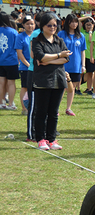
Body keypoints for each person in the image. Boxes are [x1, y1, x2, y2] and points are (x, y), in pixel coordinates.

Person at [31, 13, 72, 150]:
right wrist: (59, 56)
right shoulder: (37, 41)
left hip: (59, 80)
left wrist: (50, 59)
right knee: (41, 111)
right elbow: (41, 57)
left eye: (55, 25)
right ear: (42, 26)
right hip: (43, 80)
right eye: (49, 25)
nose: (53, 27)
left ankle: (51, 139)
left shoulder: (59, 40)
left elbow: (67, 59)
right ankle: (41, 139)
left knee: (54, 112)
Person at [57, 13, 86, 117]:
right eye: (72, 22)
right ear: (67, 23)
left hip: (76, 66)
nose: (74, 24)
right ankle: (56, 108)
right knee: (61, 88)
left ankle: (68, 108)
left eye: (76, 22)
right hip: (63, 65)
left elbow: (83, 51)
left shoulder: (81, 36)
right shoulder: (61, 34)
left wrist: (83, 65)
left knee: (72, 88)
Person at [0, 11, 19, 110]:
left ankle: (1, 102)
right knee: (11, 83)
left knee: (1, 83)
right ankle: (10, 103)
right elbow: (17, 47)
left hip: (0, 61)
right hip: (11, 61)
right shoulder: (13, 32)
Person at [16, 14, 34, 115]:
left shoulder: (37, 35)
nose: (30, 26)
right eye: (27, 24)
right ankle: (24, 108)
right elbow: (20, 53)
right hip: (25, 67)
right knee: (25, 87)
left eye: (32, 24)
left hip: (37, 67)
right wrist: (28, 65)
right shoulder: (20, 37)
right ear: (23, 25)